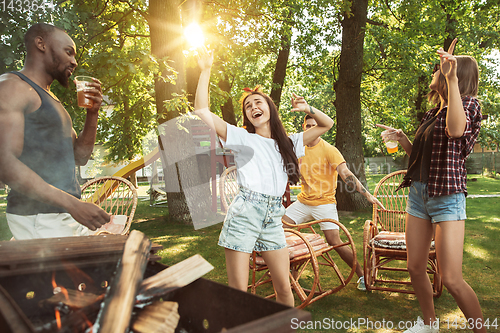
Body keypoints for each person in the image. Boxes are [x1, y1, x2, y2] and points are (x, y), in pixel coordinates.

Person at [194, 49, 334, 307]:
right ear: (247, 116)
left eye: (258, 102)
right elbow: (201, 110)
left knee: (284, 289)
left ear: (270, 108)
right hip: (245, 213)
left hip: (273, 215)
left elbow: (327, 124)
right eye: (248, 106)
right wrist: (205, 70)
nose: (253, 107)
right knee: (240, 294)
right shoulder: (241, 137)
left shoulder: (290, 142)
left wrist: (307, 108)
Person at [377, 39, 485, 333]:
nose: (435, 73)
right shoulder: (433, 112)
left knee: (451, 278)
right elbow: (420, 157)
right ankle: (428, 324)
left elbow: (455, 131)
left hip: (447, 197)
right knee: (414, 267)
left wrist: (449, 79)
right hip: (419, 194)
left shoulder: (469, 106)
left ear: (455, 74)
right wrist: (402, 140)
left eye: (442, 70)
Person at [0, 23, 110, 240]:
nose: (74, 61)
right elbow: (5, 163)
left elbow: (80, 156)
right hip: (39, 217)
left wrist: (93, 114)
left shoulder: (50, 98)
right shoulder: (13, 87)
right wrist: (73, 204)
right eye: (68, 51)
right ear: (41, 44)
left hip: (60, 215)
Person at [283, 114, 384, 291]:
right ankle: (288, 271)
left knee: (334, 241)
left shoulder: (330, 150)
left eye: (315, 126)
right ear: (304, 127)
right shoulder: (298, 148)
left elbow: (346, 174)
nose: (312, 129)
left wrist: (367, 195)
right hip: (304, 202)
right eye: (308, 126)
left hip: (324, 203)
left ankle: (362, 276)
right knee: (279, 227)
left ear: (321, 127)